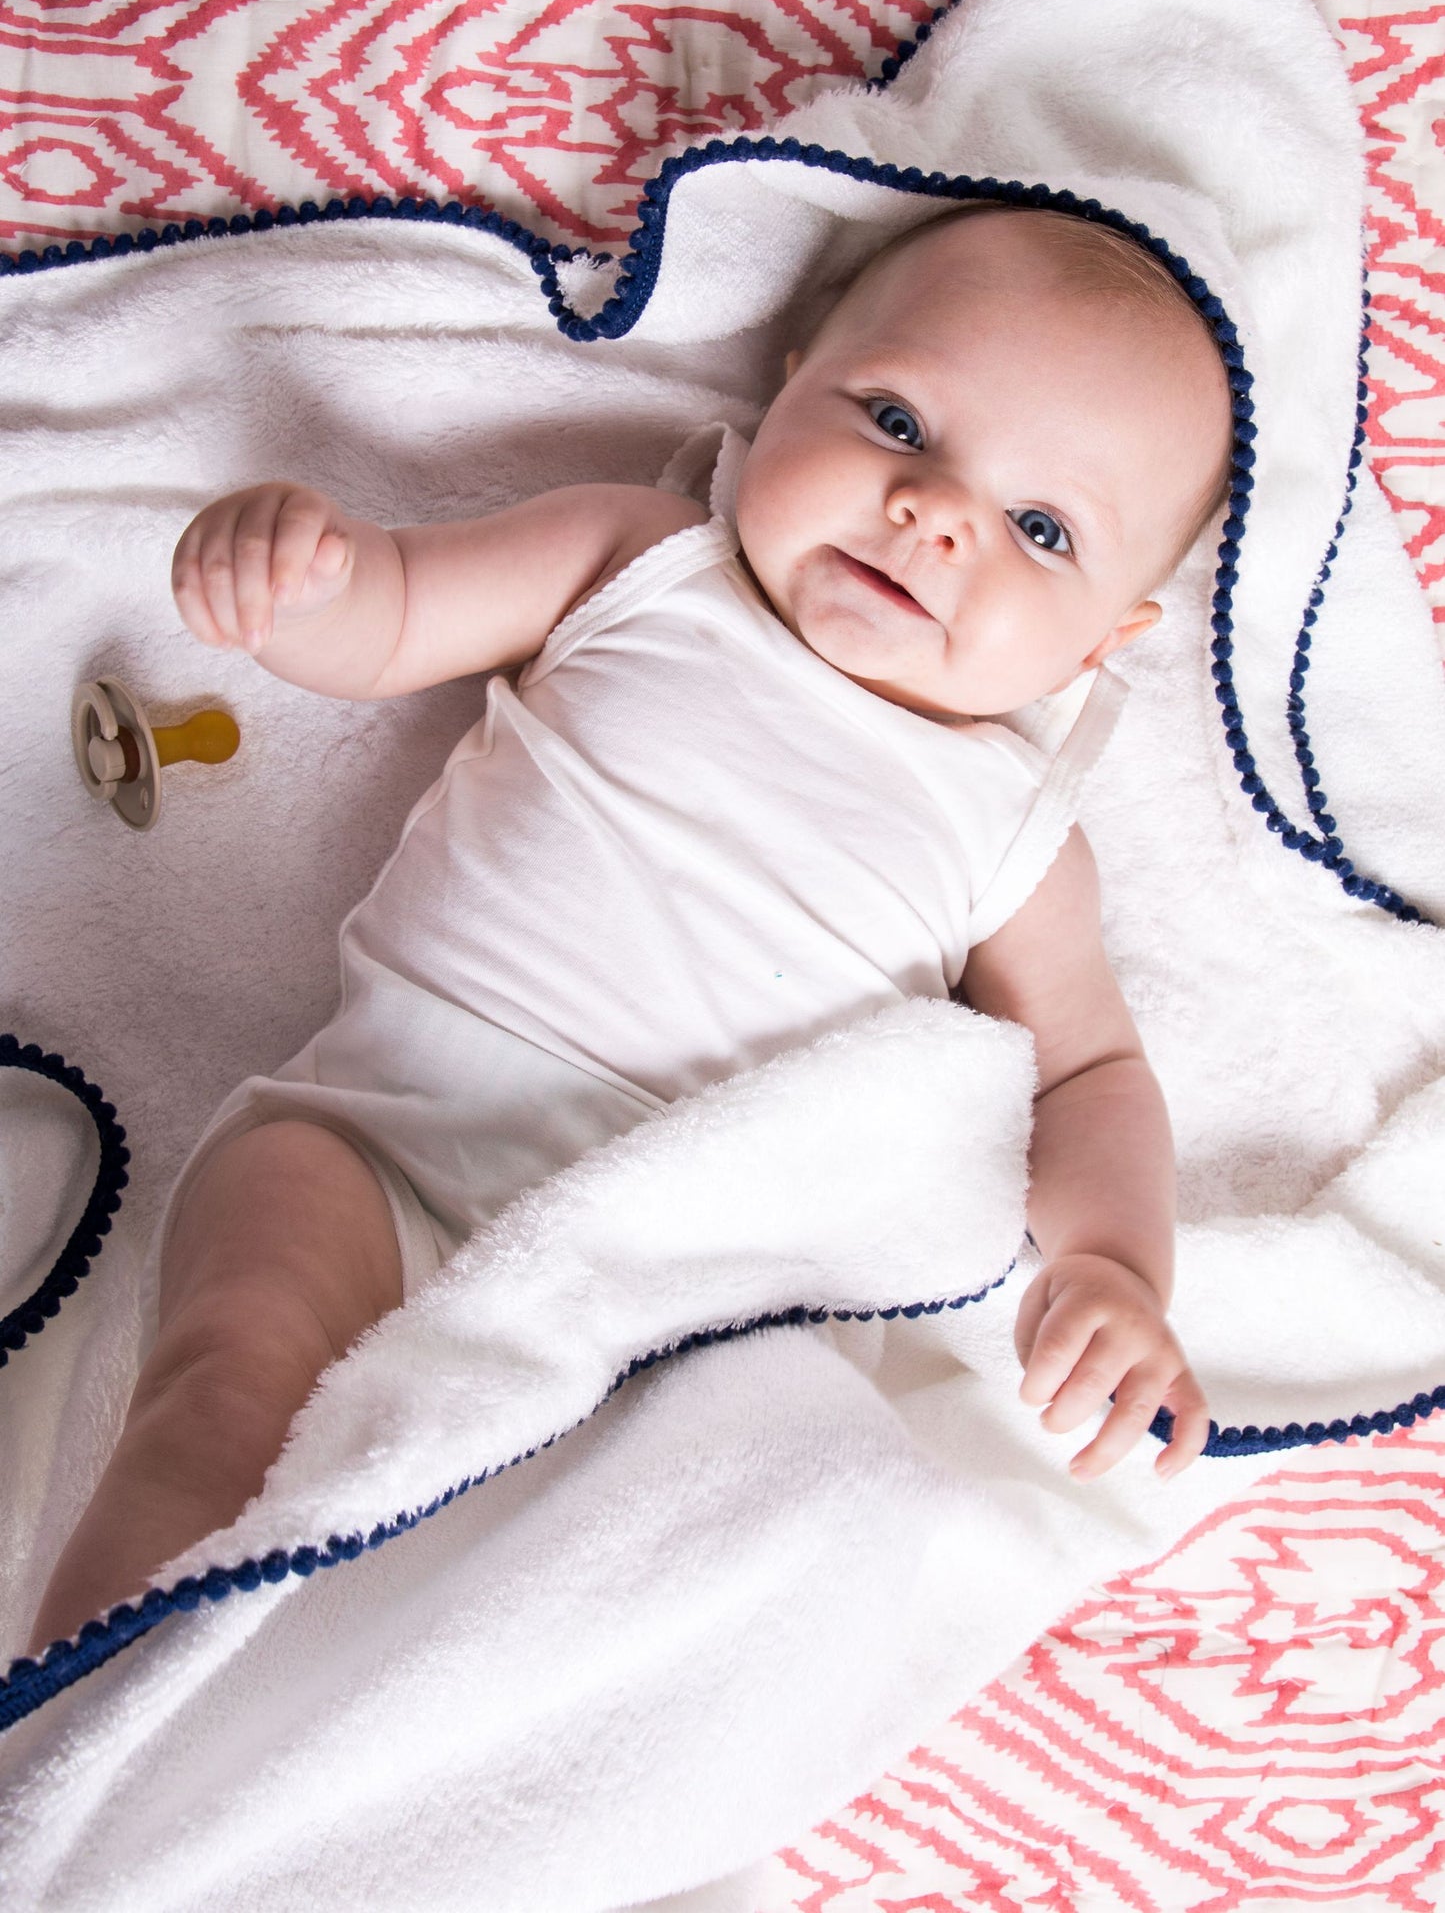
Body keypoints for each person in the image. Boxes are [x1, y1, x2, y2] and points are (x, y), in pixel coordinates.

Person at [29, 200, 1233, 1653]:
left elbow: (1089, 1072)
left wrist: (1110, 1269)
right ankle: (88, 1752)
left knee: (592, 1589)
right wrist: (305, 583)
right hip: (376, 1145)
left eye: (1041, 530)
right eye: (898, 420)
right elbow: (397, 615)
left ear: (1108, 638)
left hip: (664, 1299)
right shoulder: (640, 562)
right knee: (230, 1387)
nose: (936, 514)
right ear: (788, 381)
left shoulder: (1019, 837)